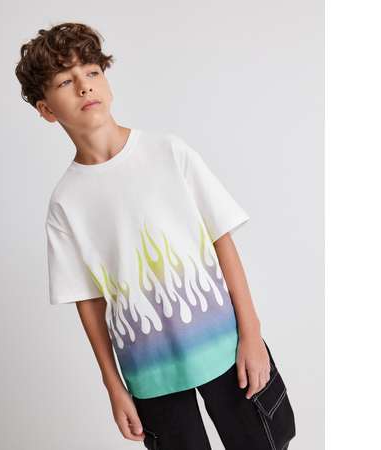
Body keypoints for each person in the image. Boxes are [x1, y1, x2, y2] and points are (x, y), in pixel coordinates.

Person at [15, 22, 296, 450]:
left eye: (91, 72)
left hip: (226, 345)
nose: (84, 86)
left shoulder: (167, 152)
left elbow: (221, 239)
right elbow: (88, 301)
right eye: (65, 81)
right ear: (46, 109)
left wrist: (252, 335)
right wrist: (113, 385)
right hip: (149, 372)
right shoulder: (66, 203)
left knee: (264, 442)